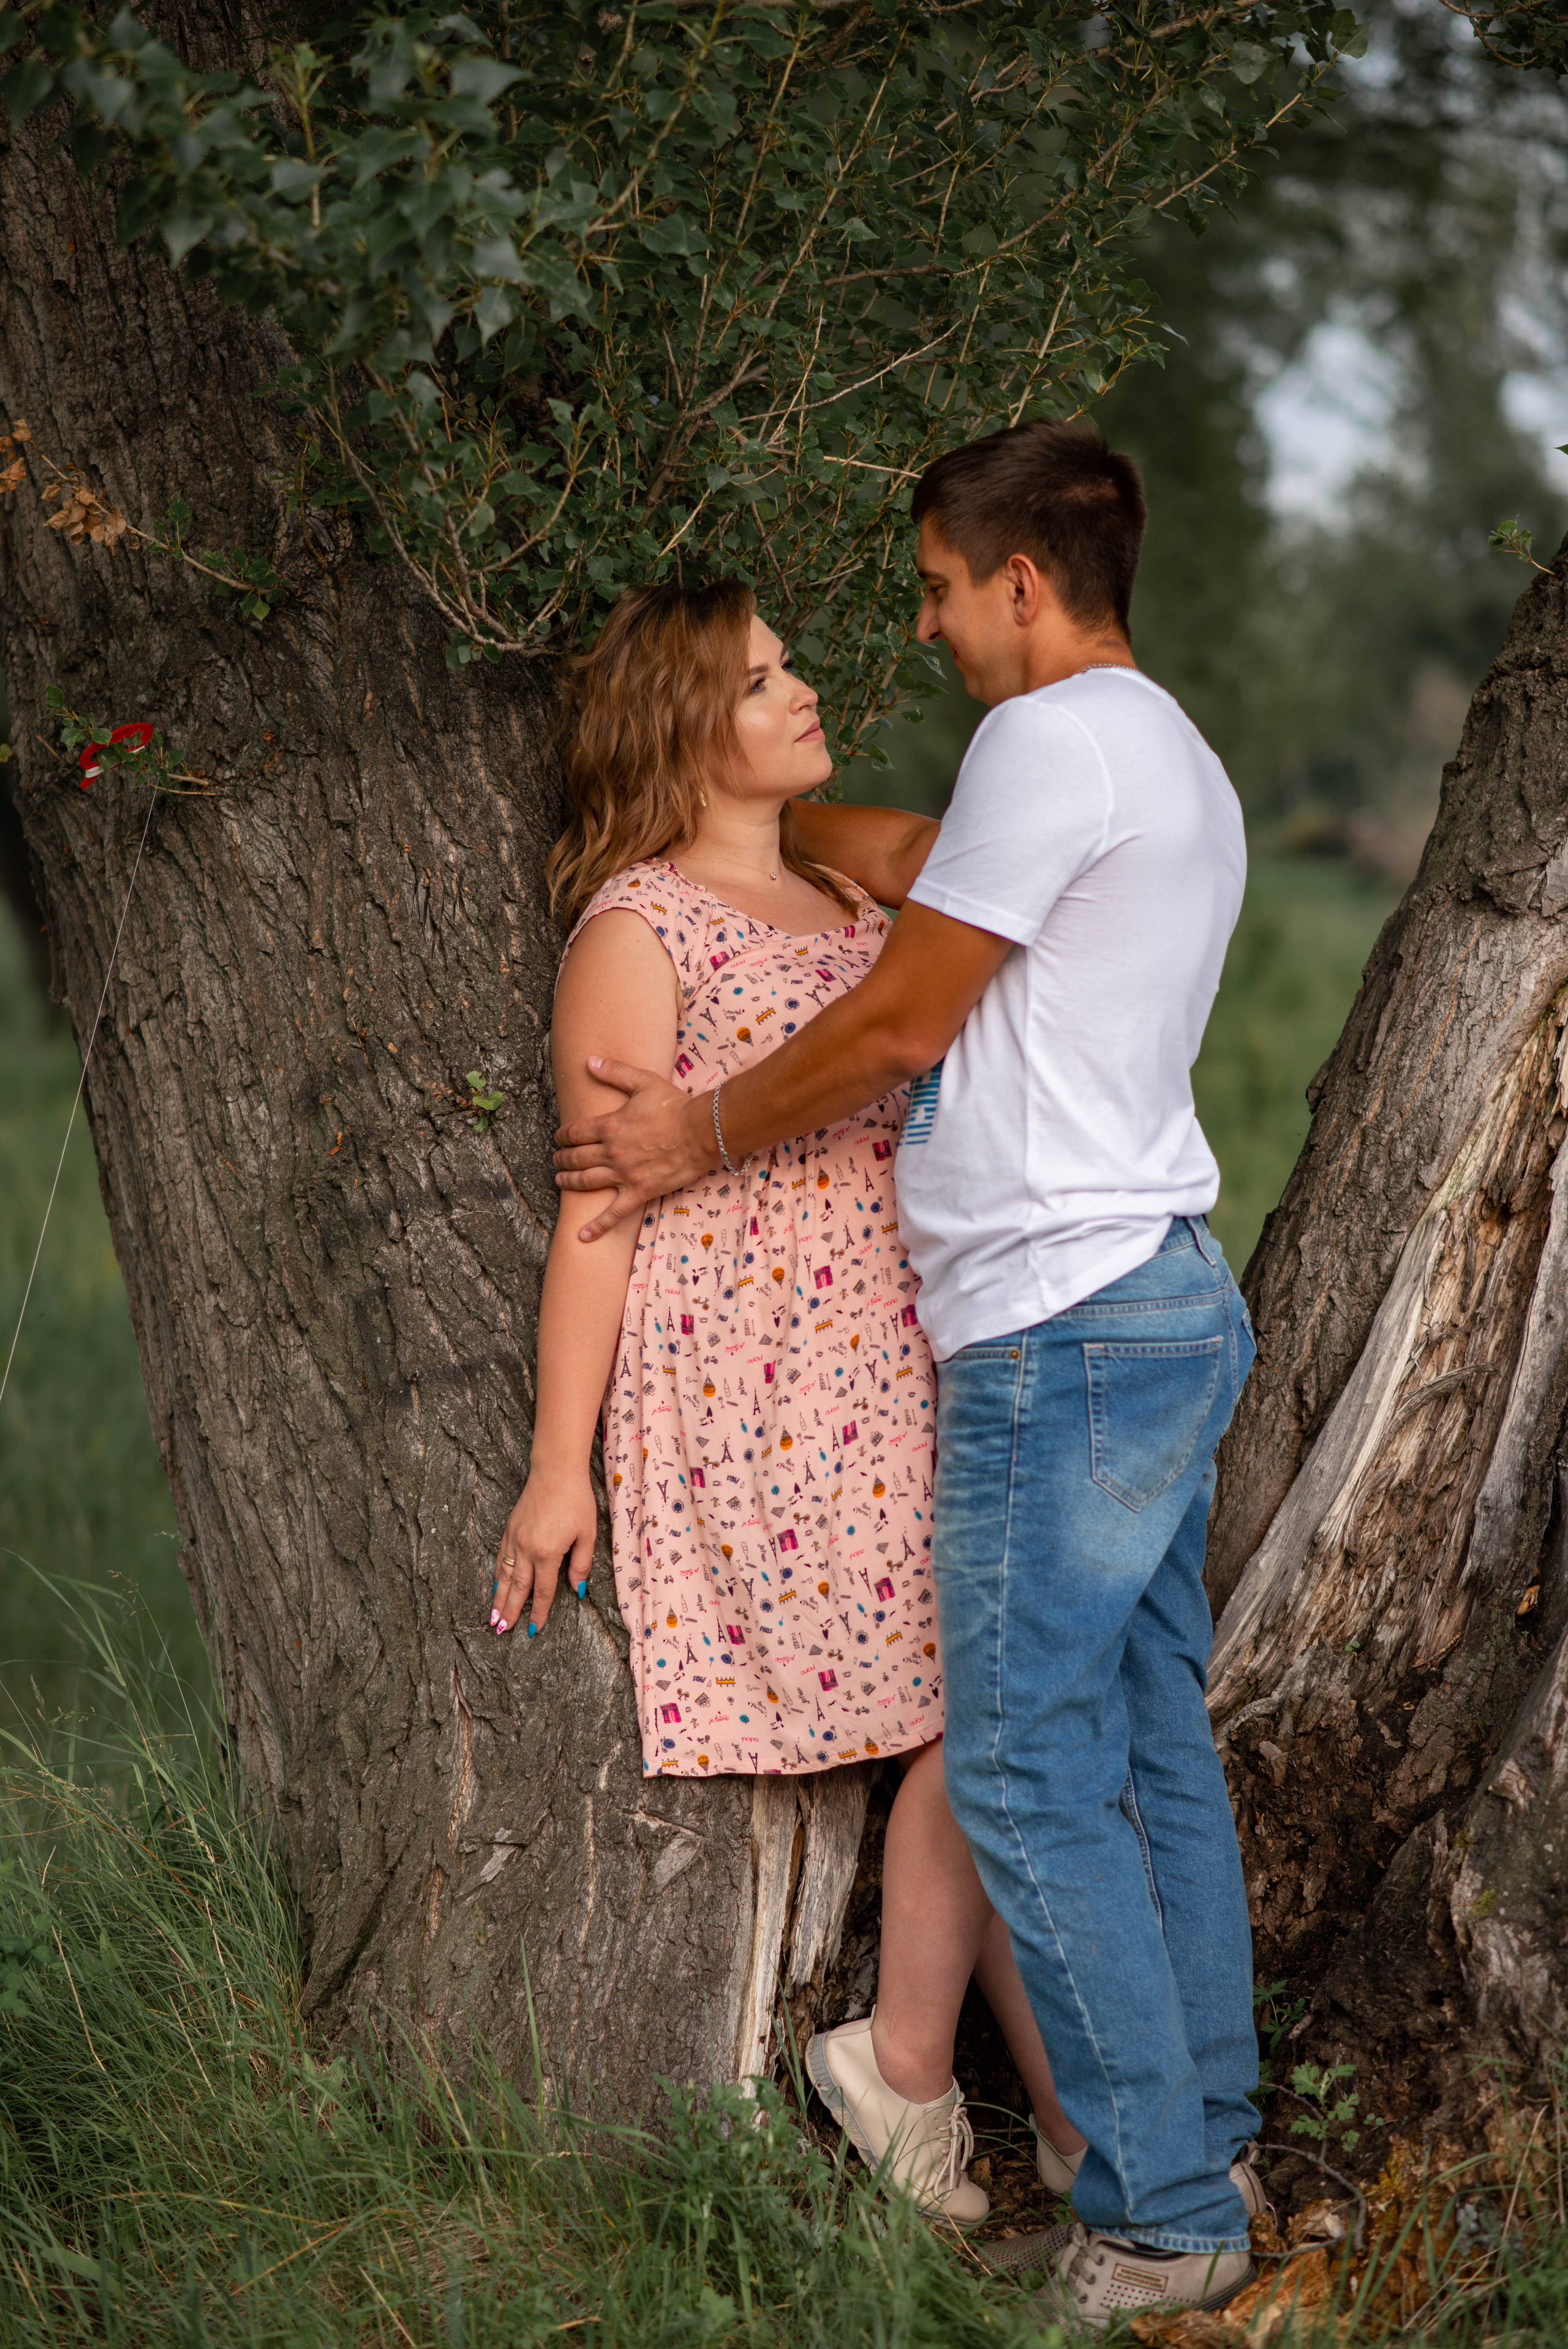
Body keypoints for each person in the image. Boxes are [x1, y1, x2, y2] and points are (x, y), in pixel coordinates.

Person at [551, 421, 1266, 2328]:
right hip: (1163, 1294)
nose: (928, 630)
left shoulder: (1042, 739)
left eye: (942, 590)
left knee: (1024, 1762)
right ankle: (1212, 2136)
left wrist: (698, 1131)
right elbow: (919, 873)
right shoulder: (1166, 753)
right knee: (1142, 1750)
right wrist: (778, 845)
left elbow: (895, 1012)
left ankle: (1166, 2210)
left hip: (1059, 1329)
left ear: (1020, 582)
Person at [491, 577, 1086, 2231]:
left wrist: (818, 816)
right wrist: (560, 1466)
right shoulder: (636, 932)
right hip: (773, 1392)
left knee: (1001, 1718)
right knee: (986, 1718)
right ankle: (978, 2098)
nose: (805, 685)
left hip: (914, 1356)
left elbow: (972, 855)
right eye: (761, 683)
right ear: (686, 734)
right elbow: (596, 1210)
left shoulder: (838, 874)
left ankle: (1066, 2129)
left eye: (788, 665)